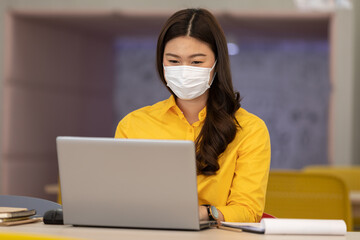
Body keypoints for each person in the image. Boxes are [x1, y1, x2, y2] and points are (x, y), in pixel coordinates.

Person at [115, 8, 271, 223]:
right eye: (174, 61)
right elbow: (120, 198)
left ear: (217, 65)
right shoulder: (132, 125)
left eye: (197, 62)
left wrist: (205, 214)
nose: (184, 70)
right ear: (162, 62)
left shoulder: (250, 129)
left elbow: (248, 210)